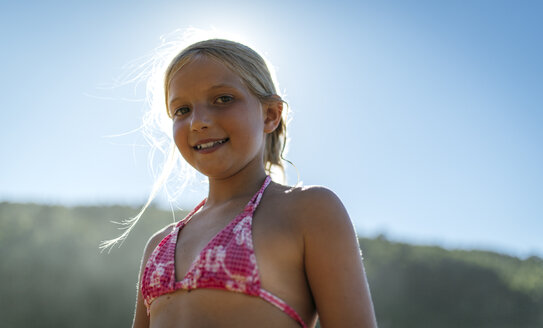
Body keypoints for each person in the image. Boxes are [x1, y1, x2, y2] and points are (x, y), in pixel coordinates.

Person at [128, 38, 377, 328]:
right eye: (182, 110)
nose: (198, 122)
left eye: (223, 99)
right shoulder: (159, 245)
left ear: (270, 115)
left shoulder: (308, 211)